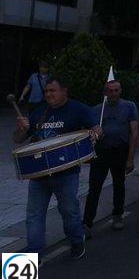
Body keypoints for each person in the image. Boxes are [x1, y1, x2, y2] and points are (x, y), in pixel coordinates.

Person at [13, 76, 100, 260]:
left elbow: (97, 128)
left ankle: (77, 241)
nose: (49, 94)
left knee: (69, 211)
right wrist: (21, 128)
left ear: (64, 91)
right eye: (46, 91)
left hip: (66, 173)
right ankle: (34, 255)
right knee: (34, 216)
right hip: (39, 175)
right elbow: (19, 139)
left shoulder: (78, 109)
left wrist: (93, 135)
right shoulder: (39, 111)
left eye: (53, 90)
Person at [82, 79, 139, 236]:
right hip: (101, 152)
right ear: (105, 92)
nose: (113, 93)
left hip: (120, 150)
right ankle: (87, 222)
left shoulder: (129, 106)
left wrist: (130, 158)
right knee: (94, 188)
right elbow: (87, 133)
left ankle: (117, 214)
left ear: (120, 91)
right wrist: (94, 132)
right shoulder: (96, 110)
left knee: (119, 184)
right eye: (110, 90)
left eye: (116, 90)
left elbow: (134, 132)